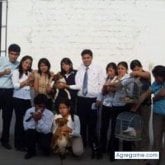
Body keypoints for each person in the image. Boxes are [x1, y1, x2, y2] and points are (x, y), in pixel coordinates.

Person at [68, 49, 105, 149]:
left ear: (91, 57)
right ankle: (82, 143)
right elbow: (79, 85)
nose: (86, 60)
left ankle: (93, 144)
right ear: (82, 59)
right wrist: (67, 86)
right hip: (81, 100)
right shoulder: (80, 69)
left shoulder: (98, 68)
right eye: (84, 58)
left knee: (93, 123)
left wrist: (99, 98)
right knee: (82, 123)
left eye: (88, 57)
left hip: (93, 100)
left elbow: (102, 84)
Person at [133, 65, 165, 165]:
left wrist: (154, 98)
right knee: (157, 139)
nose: (155, 79)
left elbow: (162, 93)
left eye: (157, 77)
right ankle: (155, 162)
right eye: (154, 77)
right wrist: (135, 106)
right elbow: (146, 94)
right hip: (158, 115)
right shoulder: (156, 83)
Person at [108, 61, 135, 161]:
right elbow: (109, 88)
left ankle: (126, 154)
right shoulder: (117, 78)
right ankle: (113, 154)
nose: (120, 70)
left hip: (125, 106)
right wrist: (114, 85)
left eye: (122, 68)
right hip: (115, 105)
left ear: (126, 69)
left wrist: (115, 84)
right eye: (118, 68)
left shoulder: (129, 78)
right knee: (114, 131)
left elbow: (117, 86)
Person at [0, 43, 21, 149]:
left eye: (16, 54)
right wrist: (3, 72)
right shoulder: (1, 60)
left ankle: (5, 140)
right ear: (8, 53)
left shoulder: (18, 64)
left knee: (7, 117)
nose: (14, 56)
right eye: (12, 54)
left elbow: (28, 69)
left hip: (9, 93)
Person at [12, 55, 33, 151]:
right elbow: (16, 86)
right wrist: (27, 81)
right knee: (20, 121)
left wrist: (30, 82)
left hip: (27, 99)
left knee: (27, 121)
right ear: (22, 62)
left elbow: (30, 86)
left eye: (29, 63)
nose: (27, 65)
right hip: (18, 99)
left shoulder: (29, 73)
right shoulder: (16, 72)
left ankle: (25, 143)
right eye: (26, 62)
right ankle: (18, 144)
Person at [23, 94, 54, 159]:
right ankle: (31, 152)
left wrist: (39, 120)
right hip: (33, 133)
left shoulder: (50, 114)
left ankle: (43, 147)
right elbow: (26, 127)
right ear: (35, 105)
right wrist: (34, 120)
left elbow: (47, 130)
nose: (41, 109)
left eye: (43, 107)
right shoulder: (29, 111)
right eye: (39, 106)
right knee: (29, 132)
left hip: (44, 134)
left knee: (46, 149)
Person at [96, 62, 118, 154]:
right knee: (103, 127)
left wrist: (107, 87)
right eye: (108, 71)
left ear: (115, 71)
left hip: (114, 106)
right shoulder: (107, 79)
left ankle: (112, 148)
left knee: (113, 128)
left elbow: (112, 90)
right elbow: (102, 92)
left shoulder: (118, 79)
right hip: (105, 105)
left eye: (111, 70)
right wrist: (99, 99)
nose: (109, 72)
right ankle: (102, 147)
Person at [130, 59, 151, 151]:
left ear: (141, 67)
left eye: (138, 69)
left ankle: (145, 148)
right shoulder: (134, 78)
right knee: (136, 127)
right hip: (135, 105)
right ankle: (137, 147)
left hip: (145, 106)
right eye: (134, 70)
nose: (136, 71)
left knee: (144, 128)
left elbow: (147, 74)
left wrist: (136, 73)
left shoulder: (146, 75)